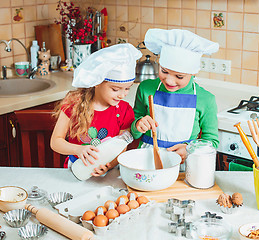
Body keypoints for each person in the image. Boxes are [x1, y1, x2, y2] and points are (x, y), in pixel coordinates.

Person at [51, 43, 142, 176]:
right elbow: (55, 142)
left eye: (127, 88)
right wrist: (78, 150)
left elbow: (122, 148)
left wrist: (109, 166)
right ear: (97, 82)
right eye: (115, 89)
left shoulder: (124, 110)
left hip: (108, 173)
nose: (122, 95)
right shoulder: (74, 105)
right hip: (75, 170)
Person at [131, 29, 220, 162]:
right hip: (146, 160)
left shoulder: (206, 100)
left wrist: (190, 150)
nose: (169, 80)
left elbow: (211, 141)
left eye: (179, 76)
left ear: (193, 73)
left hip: (185, 164)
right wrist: (138, 125)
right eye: (164, 71)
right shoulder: (145, 88)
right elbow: (131, 128)